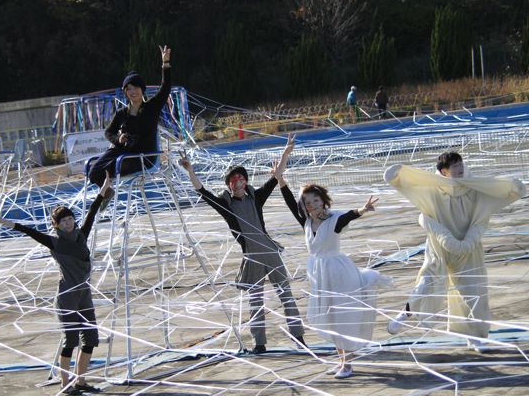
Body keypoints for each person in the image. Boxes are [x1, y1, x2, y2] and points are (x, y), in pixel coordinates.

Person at [384, 152, 526, 352]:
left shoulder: (472, 186)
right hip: (439, 248)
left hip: (468, 249)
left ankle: (474, 337)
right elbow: (411, 190)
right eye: (454, 166)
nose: (460, 168)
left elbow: (486, 207)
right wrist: (399, 175)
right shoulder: (433, 188)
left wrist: (511, 188)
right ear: (444, 171)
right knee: (425, 284)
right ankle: (406, 313)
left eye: (461, 163)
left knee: (472, 293)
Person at [178, 136, 305, 354]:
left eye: (241, 179)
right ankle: (260, 343)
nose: (238, 182)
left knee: (286, 294)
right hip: (251, 257)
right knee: (255, 301)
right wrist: (190, 170)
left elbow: (276, 177)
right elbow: (202, 192)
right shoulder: (225, 206)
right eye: (233, 180)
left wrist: (286, 153)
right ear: (229, 185)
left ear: (245, 182)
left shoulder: (256, 198)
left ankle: (299, 338)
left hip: (270, 251)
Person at [0, 172, 113, 395]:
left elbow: (93, 211)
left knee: (90, 339)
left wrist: (103, 190)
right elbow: (27, 230)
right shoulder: (54, 242)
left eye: (70, 219)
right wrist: (1, 221)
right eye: (63, 221)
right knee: (70, 341)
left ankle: (81, 381)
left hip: (84, 294)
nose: (68, 222)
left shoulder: (81, 235)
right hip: (67, 296)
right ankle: (66, 385)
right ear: (56, 225)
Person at [278, 179, 391, 379]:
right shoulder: (307, 222)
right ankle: (341, 361)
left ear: (323, 200)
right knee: (330, 318)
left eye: (316, 200)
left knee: (341, 318)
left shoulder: (333, 219)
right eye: (308, 202)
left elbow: (347, 217)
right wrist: (280, 180)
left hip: (337, 273)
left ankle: (347, 364)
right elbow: (290, 202)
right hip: (320, 276)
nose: (313, 204)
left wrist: (362, 210)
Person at [87, 45, 172, 210]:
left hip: (143, 156)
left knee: (115, 166)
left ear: (142, 89)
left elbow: (165, 88)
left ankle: (106, 190)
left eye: (135, 87)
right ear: (125, 92)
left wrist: (165, 64)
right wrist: (118, 139)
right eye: (128, 89)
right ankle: (107, 192)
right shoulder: (122, 113)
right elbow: (108, 132)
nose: (132, 91)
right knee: (93, 172)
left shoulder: (152, 107)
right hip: (121, 151)